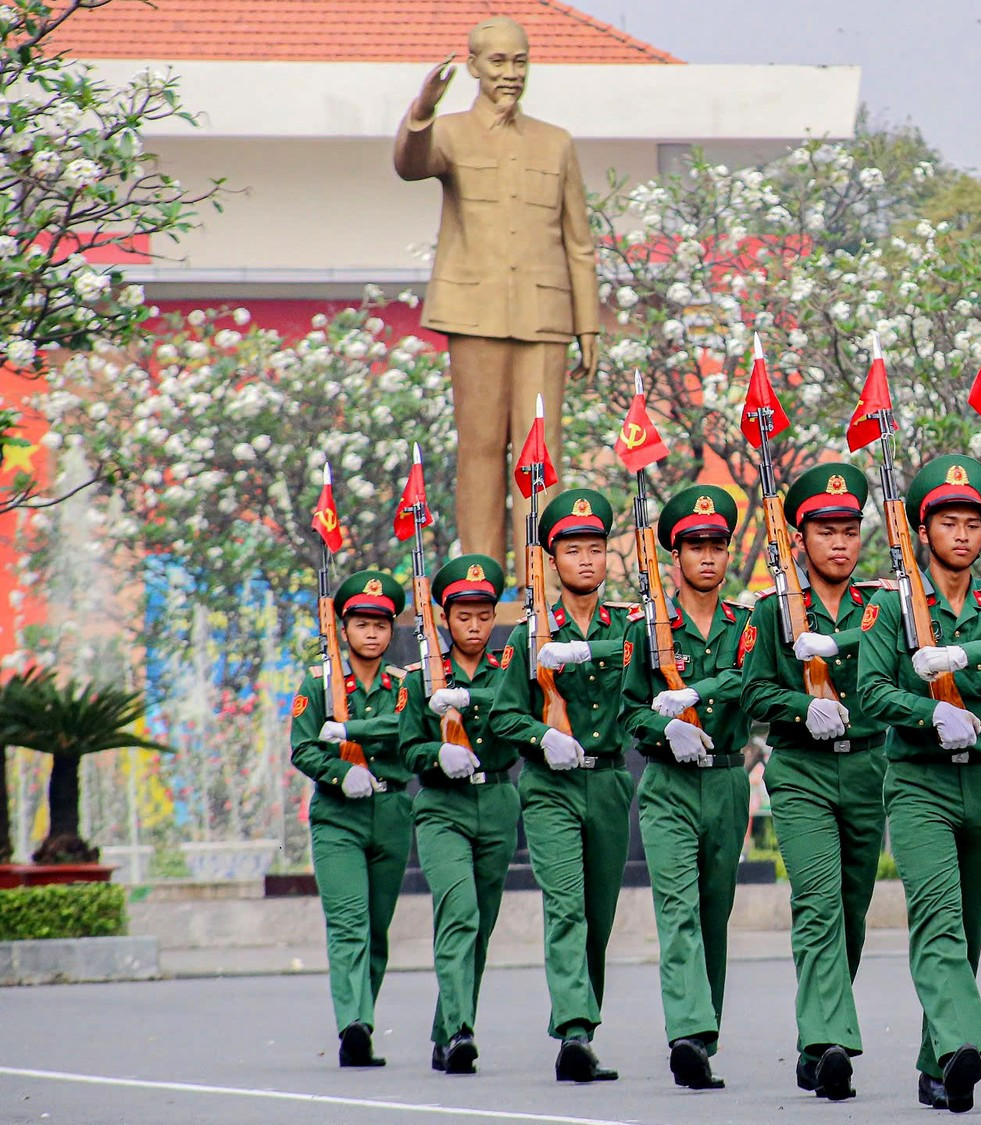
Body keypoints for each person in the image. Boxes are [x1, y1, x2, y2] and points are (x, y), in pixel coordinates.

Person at [392, 15, 598, 566]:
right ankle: (479, 579)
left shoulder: (555, 143)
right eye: (499, 61)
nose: (511, 73)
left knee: (541, 452)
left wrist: (589, 324)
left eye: (520, 61)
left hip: (544, 314)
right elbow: (410, 166)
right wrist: (422, 110)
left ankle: (541, 580)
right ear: (475, 66)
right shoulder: (450, 132)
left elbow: (579, 241)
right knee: (480, 450)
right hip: (474, 311)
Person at [856, 455, 981, 1113]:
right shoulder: (891, 607)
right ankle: (961, 1045)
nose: (962, 535)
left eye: (973, 523)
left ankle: (935, 1063)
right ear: (924, 531)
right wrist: (930, 710)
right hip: (918, 780)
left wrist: (963, 658)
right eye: (949, 522)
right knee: (939, 917)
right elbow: (869, 690)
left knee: (970, 928)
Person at [741, 463, 886, 1102]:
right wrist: (803, 708)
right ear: (799, 538)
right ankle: (829, 1040)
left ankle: (816, 1032)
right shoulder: (774, 611)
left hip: (866, 767)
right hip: (799, 769)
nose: (839, 543)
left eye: (849, 530)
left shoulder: (880, 607)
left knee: (852, 913)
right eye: (825, 530)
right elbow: (753, 689)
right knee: (820, 902)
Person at [491, 488, 631, 1082]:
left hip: (608, 784)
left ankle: (584, 1028)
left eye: (595, 549)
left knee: (598, 915)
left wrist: (582, 651)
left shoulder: (627, 625)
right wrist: (540, 735)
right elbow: (501, 717)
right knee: (567, 906)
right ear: (552, 560)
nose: (586, 560)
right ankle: (573, 1029)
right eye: (573, 550)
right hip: (550, 787)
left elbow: (636, 654)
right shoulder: (529, 636)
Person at [620, 485, 753, 1091]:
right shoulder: (646, 629)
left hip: (727, 778)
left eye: (716, 545)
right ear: (673, 557)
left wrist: (700, 697)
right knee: (678, 910)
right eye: (694, 545)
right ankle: (687, 1033)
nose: (706, 556)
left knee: (713, 912)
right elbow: (626, 712)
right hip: (669, 784)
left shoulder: (747, 626)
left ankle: (706, 1033)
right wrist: (663, 727)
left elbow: (751, 684)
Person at [289, 570, 412, 1068]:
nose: (372, 633)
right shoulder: (318, 683)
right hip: (339, 816)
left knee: (377, 929)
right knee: (349, 924)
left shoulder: (404, 685)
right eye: (362, 623)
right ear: (344, 628)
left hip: (391, 811)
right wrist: (341, 772)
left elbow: (407, 729)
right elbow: (303, 747)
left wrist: (355, 732)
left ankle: (364, 1015)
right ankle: (354, 1025)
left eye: (381, 624)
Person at [398, 554, 515, 1075]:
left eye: (483, 615)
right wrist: (436, 753)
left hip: (496, 801)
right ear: (444, 617)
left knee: (481, 925)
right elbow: (406, 749)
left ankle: (446, 1028)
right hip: (442, 806)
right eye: (463, 615)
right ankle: (463, 1029)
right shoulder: (419, 677)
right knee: (460, 913)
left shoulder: (507, 670)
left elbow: (520, 715)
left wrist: (468, 698)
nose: (474, 625)